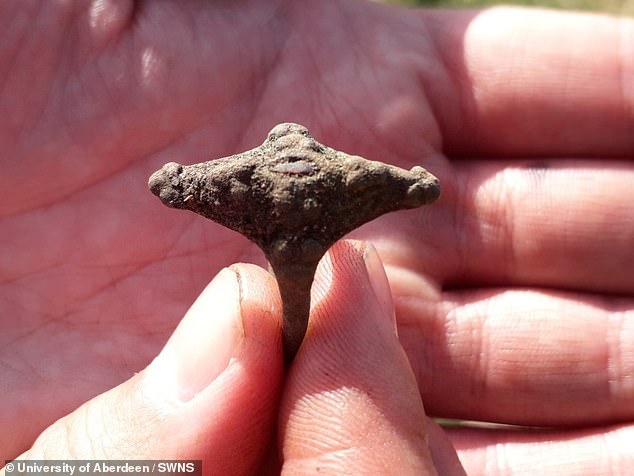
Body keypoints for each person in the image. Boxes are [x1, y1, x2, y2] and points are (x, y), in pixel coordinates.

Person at [1, 1, 632, 474]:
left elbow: (182, 183)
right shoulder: (331, 175)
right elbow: (397, 184)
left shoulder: (251, 175)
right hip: (300, 258)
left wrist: (174, 182)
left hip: (287, 256)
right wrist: (413, 186)